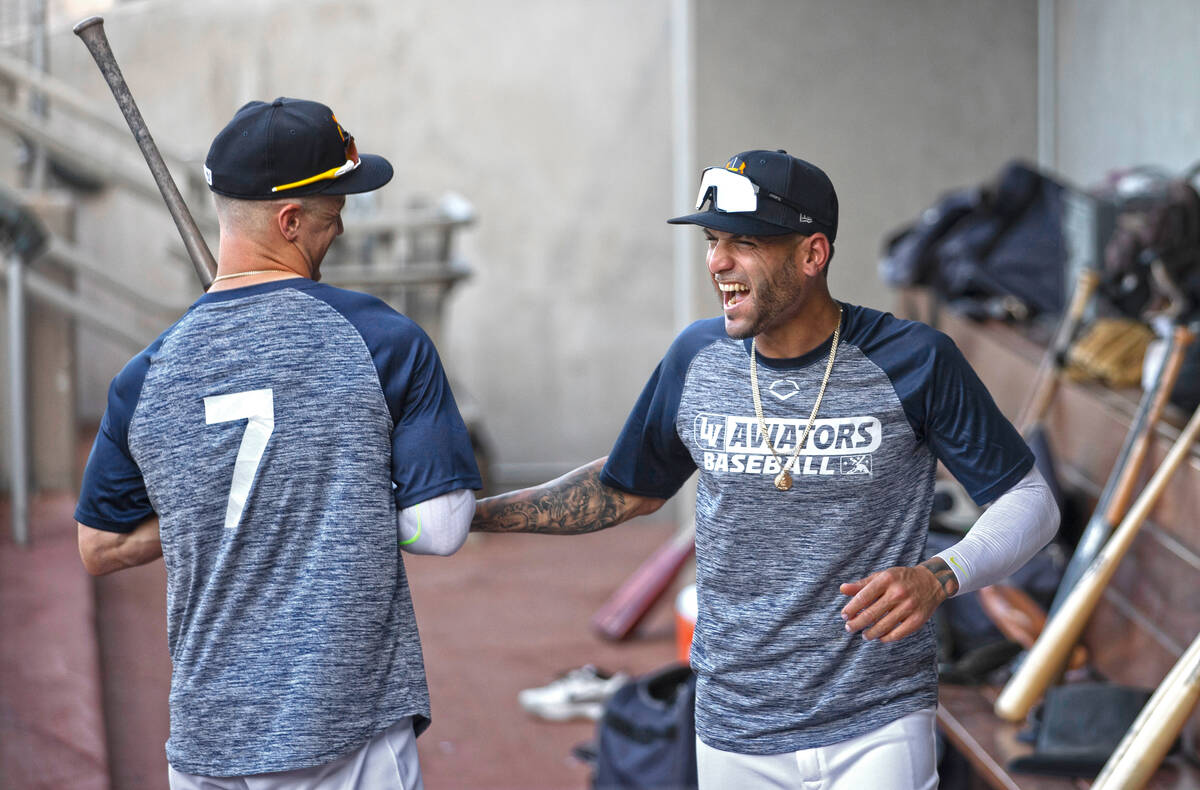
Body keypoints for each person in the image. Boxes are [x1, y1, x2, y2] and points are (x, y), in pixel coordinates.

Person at [471, 150, 1060, 789]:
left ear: (812, 255)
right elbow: (624, 488)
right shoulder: (695, 358)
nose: (717, 263)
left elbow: (1031, 502)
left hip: (876, 718)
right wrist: (472, 516)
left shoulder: (915, 360)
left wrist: (940, 576)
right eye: (713, 240)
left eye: (744, 243)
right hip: (733, 723)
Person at [74, 97, 481, 790]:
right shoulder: (383, 339)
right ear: (289, 221)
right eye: (333, 211)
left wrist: (222, 507)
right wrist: (335, 493)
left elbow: (99, 546)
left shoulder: (146, 375)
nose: (342, 226)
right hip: (349, 740)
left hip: (208, 750)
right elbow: (438, 531)